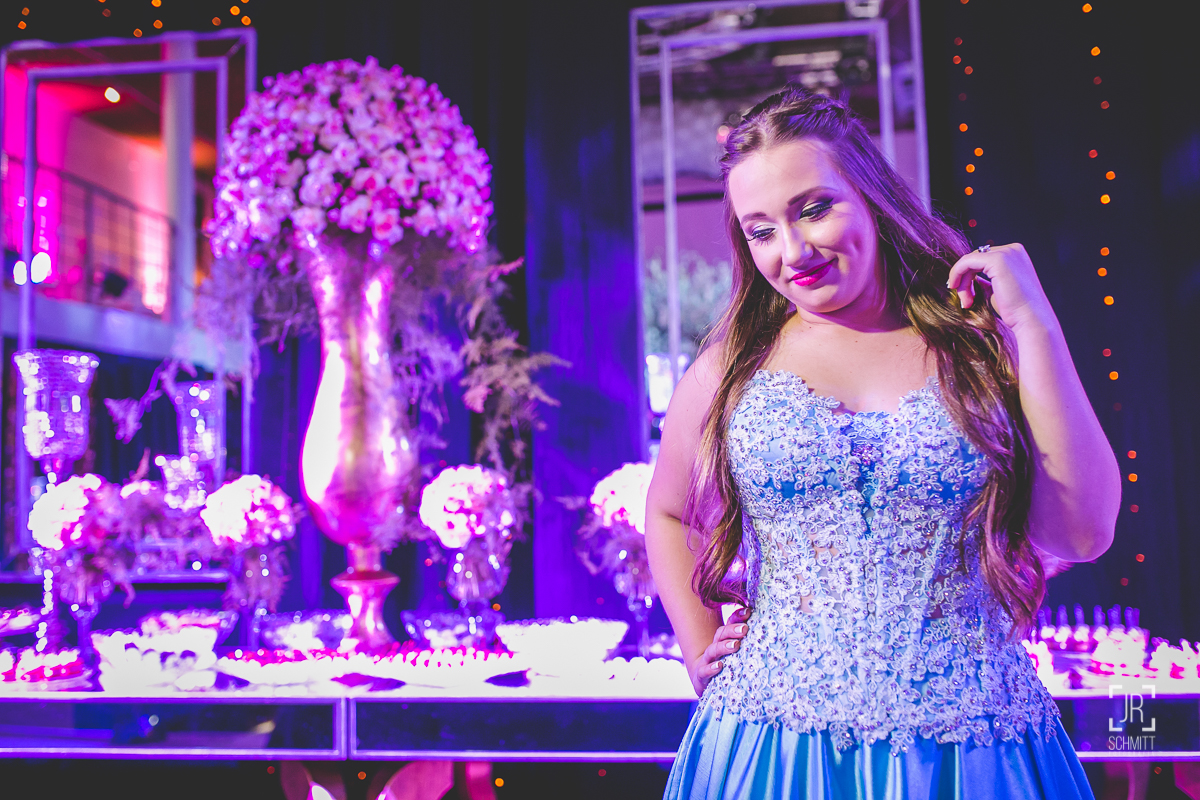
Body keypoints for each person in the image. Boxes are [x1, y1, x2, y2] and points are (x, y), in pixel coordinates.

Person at [644, 85, 1118, 799]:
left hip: (970, 749)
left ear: (870, 193)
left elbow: (1081, 532)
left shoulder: (980, 342)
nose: (793, 250)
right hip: (775, 748)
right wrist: (697, 647)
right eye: (761, 231)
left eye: (814, 209)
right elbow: (668, 510)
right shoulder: (733, 364)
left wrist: (1034, 323)